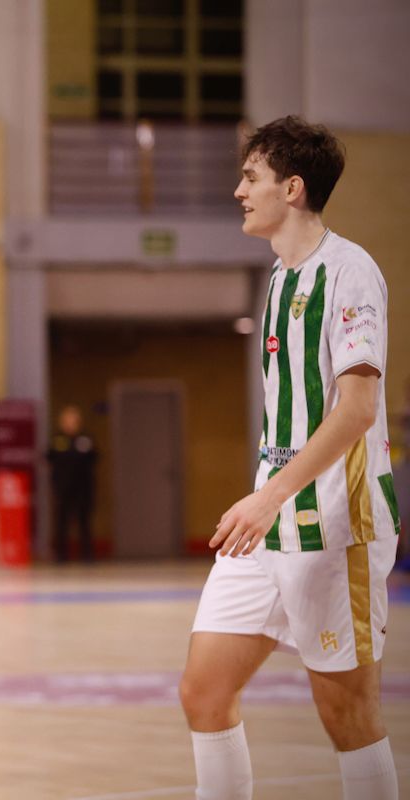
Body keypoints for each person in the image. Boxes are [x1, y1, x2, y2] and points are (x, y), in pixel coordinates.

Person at [180, 116, 400, 799]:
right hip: (268, 526)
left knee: (347, 714)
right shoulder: (278, 278)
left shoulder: (351, 271)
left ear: (293, 188)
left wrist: (271, 493)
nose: (239, 190)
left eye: (252, 177)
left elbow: (357, 411)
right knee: (203, 693)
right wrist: (268, 497)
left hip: (337, 525)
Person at [46, 404, 97, 563]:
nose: (70, 422)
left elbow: (94, 458)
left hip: (83, 487)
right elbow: (49, 458)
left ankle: (87, 555)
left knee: (84, 522)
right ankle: (61, 555)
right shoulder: (57, 439)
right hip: (63, 487)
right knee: (62, 522)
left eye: (73, 419)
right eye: (67, 419)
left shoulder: (85, 439)